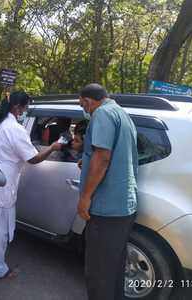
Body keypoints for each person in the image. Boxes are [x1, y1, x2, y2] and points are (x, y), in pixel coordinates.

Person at [0, 91, 62, 279]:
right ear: (18, 108)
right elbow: (33, 158)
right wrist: (52, 147)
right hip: (3, 181)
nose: (26, 111)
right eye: (26, 107)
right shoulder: (14, 128)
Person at [77, 83, 138, 300]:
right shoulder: (121, 113)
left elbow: (103, 157)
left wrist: (84, 197)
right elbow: (106, 155)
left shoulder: (101, 114)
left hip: (106, 207)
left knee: (98, 271)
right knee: (113, 268)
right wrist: (86, 161)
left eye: (81, 103)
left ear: (87, 100)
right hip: (123, 205)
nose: (82, 107)